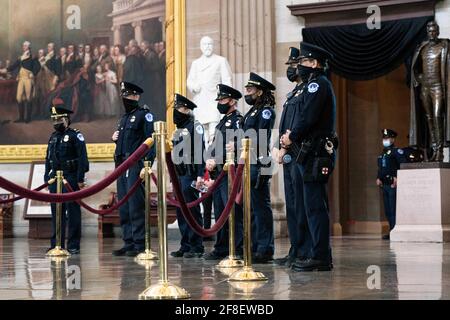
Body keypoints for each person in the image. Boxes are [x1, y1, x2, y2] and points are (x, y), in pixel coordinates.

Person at [281, 42, 337, 272]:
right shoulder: (312, 85)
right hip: (308, 154)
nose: (299, 66)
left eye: (303, 62)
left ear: (314, 63)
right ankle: (314, 253)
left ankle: (321, 256)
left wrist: (291, 137)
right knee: (308, 204)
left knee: (315, 206)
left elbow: (308, 117)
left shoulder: (318, 85)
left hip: (315, 154)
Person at [111, 82, 156, 257]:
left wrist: (147, 165)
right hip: (121, 163)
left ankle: (139, 243)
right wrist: (115, 139)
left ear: (136, 96)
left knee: (135, 204)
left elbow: (151, 142)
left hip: (135, 163)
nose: (126, 99)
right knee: (123, 205)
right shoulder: (124, 118)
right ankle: (128, 242)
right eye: (124, 95)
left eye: (128, 95)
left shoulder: (144, 116)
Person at [274, 47, 308, 268]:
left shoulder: (306, 91)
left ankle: (304, 249)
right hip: (288, 155)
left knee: (302, 204)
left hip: (298, 154)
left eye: (293, 66)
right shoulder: (293, 93)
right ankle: (295, 249)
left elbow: (301, 124)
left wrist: (287, 146)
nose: (291, 70)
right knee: (293, 205)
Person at [204, 84, 244, 260]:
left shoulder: (237, 121)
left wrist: (217, 160)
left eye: (223, 99)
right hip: (219, 174)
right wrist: (209, 159)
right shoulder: (222, 122)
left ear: (232, 101)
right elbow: (216, 146)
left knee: (232, 212)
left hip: (230, 173)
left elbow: (235, 148)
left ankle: (236, 247)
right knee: (220, 212)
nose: (220, 103)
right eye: (219, 99)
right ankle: (221, 247)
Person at [44, 98, 89, 255]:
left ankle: (74, 244)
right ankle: (56, 243)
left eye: (59, 119)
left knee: (73, 211)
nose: (56, 122)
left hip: (70, 178)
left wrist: (80, 178)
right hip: (55, 179)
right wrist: (46, 177)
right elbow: (48, 159)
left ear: (66, 119)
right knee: (56, 212)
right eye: (54, 119)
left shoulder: (76, 135)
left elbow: (82, 158)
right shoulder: (53, 137)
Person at [241, 72, 276, 264]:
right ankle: (255, 245)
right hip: (249, 161)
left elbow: (262, 136)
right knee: (253, 207)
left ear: (260, 91)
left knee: (262, 207)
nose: (247, 92)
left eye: (250, 89)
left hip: (259, 161)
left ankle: (265, 248)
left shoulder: (265, 111)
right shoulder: (253, 110)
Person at [170, 94, 206, 259]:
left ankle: (196, 245)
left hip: (190, 173)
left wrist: (200, 175)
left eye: (178, 109)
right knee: (180, 210)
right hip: (179, 174)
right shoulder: (179, 129)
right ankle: (185, 245)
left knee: (191, 209)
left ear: (186, 110)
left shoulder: (194, 126)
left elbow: (200, 152)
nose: (176, 112)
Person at [187, 36, 233, 145]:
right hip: (201, 102)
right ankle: (204, 159)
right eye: (205, 44)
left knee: (215, 132)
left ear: (213, 46)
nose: (207, 47)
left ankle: (213, 158)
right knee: (201, 134)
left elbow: (227, 80)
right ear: (200, 47)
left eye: (209, 44)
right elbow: (189, 81)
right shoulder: (196, 63)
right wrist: (194, 86)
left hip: (214, 102)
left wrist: (226, 98)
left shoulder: (220, 61)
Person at [376, 129, 407, 240]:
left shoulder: (397, 152)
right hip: (384, 184)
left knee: (393, 209)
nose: (385, 140)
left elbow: (403, 164)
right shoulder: (383, 153)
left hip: (393, 184)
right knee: (388, 210)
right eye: (384, 138)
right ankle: (391, 230)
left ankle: (395, 230)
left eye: (387, 138)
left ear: (393, 139)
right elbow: (381, 168)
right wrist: (378, 177)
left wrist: (398, 177)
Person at [0, 41, 41, 123]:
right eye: (23, 46)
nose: (24, 47)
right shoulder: (20, 57)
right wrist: (3, 70)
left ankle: (28, 118)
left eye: (25, 46)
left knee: (29, 98)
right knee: (19, 97)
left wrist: (33, 73)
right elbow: (13, 66)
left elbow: (38, 67)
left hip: (28, 79)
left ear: (29, 47)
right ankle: (21, 118)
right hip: (21, 79)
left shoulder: (33, 57)